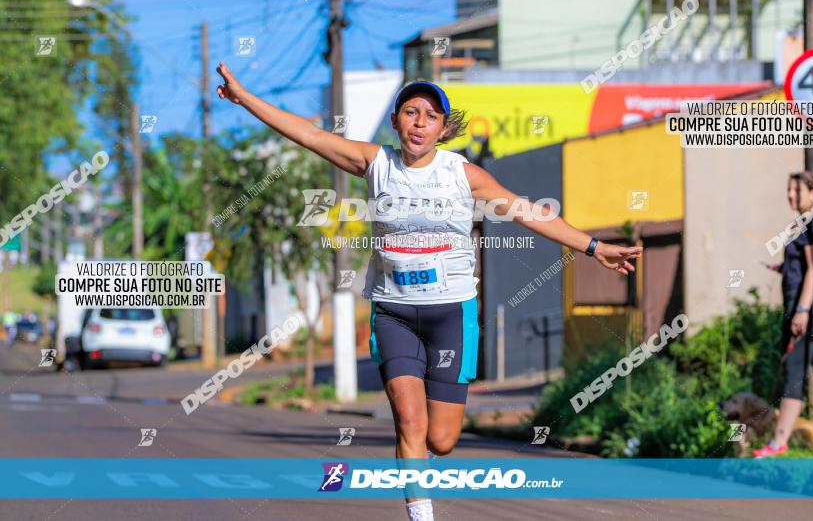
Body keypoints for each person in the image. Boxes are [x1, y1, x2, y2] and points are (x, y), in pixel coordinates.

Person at [216, 63, 641, 519]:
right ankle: (421, 513)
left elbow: (529, 213)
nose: (420, 122)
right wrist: (246, 100)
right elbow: (310, 135)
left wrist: (593, 246)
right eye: (411, 112)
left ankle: (421, 464)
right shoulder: (375, 163)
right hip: (394, 314)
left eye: (431, 115)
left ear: (443, 127)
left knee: (442, 439)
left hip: (451, 316)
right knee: (410, 423)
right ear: (396, 120)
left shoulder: (463, 175)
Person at [753, 171, 813, 457]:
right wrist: (783, 269)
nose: (790, 196)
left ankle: (777, 443)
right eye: (788, 190)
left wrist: (803, 309)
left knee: (794, 370)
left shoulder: (812, 220)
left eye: (796, 190)